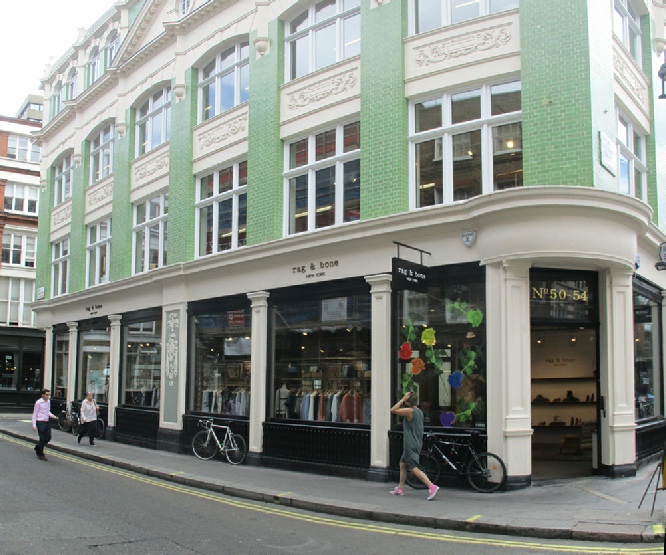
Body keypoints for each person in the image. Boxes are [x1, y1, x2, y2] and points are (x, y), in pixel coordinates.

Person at [390, 391, 439, 500]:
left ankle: (431, 486)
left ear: (407, 402)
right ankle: (400, 488)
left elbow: (393, 410)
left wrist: (402, 400)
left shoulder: (409, 411)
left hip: (410, 443)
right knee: (402, 464)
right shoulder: (419, 411)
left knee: (413, 468)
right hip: (416, 442)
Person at [32, 388, 56, 461]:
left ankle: (38, 447)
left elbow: (47, 411)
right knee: (42, 438)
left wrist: (52, 415)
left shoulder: (48, 401)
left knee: (48, 438)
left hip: (47, 421)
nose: (48, 396)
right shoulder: (38, 402)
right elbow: (35, 413)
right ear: (43, 395)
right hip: (40, 421)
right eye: (46, 395)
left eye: (49, 395)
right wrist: (34, 425)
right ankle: (40, 454)